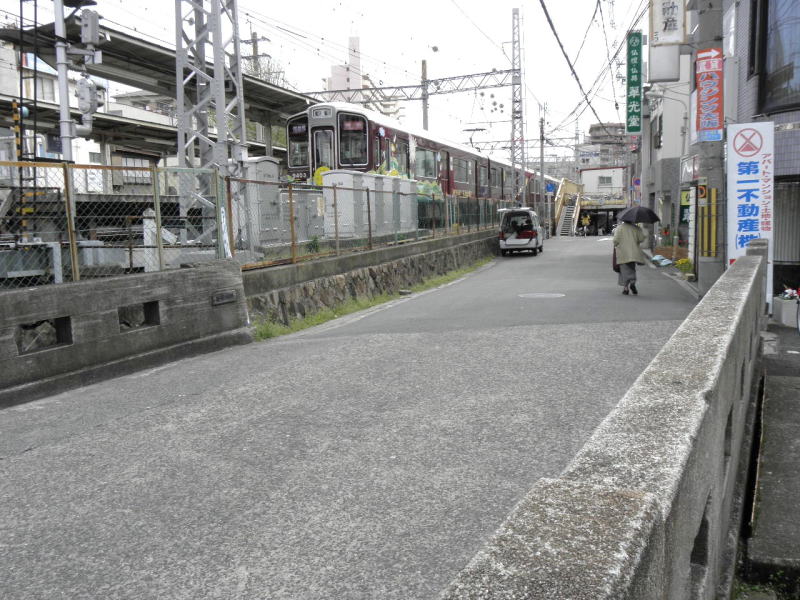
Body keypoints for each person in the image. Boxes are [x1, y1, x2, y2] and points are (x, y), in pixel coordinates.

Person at [613, 220, 647, 295]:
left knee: (624, 270)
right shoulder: (636, 228)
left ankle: (626, 288)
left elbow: (615, 240)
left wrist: (616, 245)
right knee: (631, 268)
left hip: (623, 252)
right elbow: (641, 239)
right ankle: (632, 282)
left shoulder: (619, 228)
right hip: (633, 252)